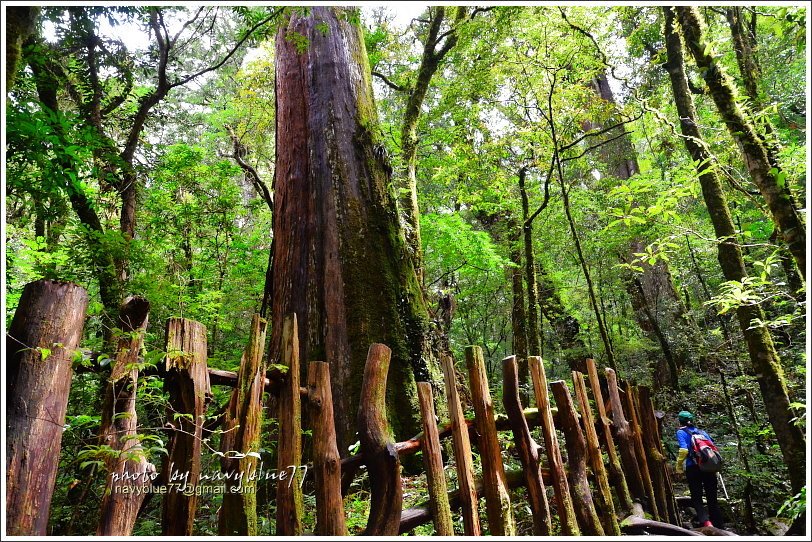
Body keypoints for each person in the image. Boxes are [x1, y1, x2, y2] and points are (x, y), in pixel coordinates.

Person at [675, 410, 725, 529]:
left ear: (680, 421)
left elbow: (684, 450)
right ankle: (719, 525)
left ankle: (706, 523)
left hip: (693, 468)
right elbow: (713, 449)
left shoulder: (681, 432)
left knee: (697, 497)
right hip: (708, 468)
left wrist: (679, 466)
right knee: (712, 497)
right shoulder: (702, 432)